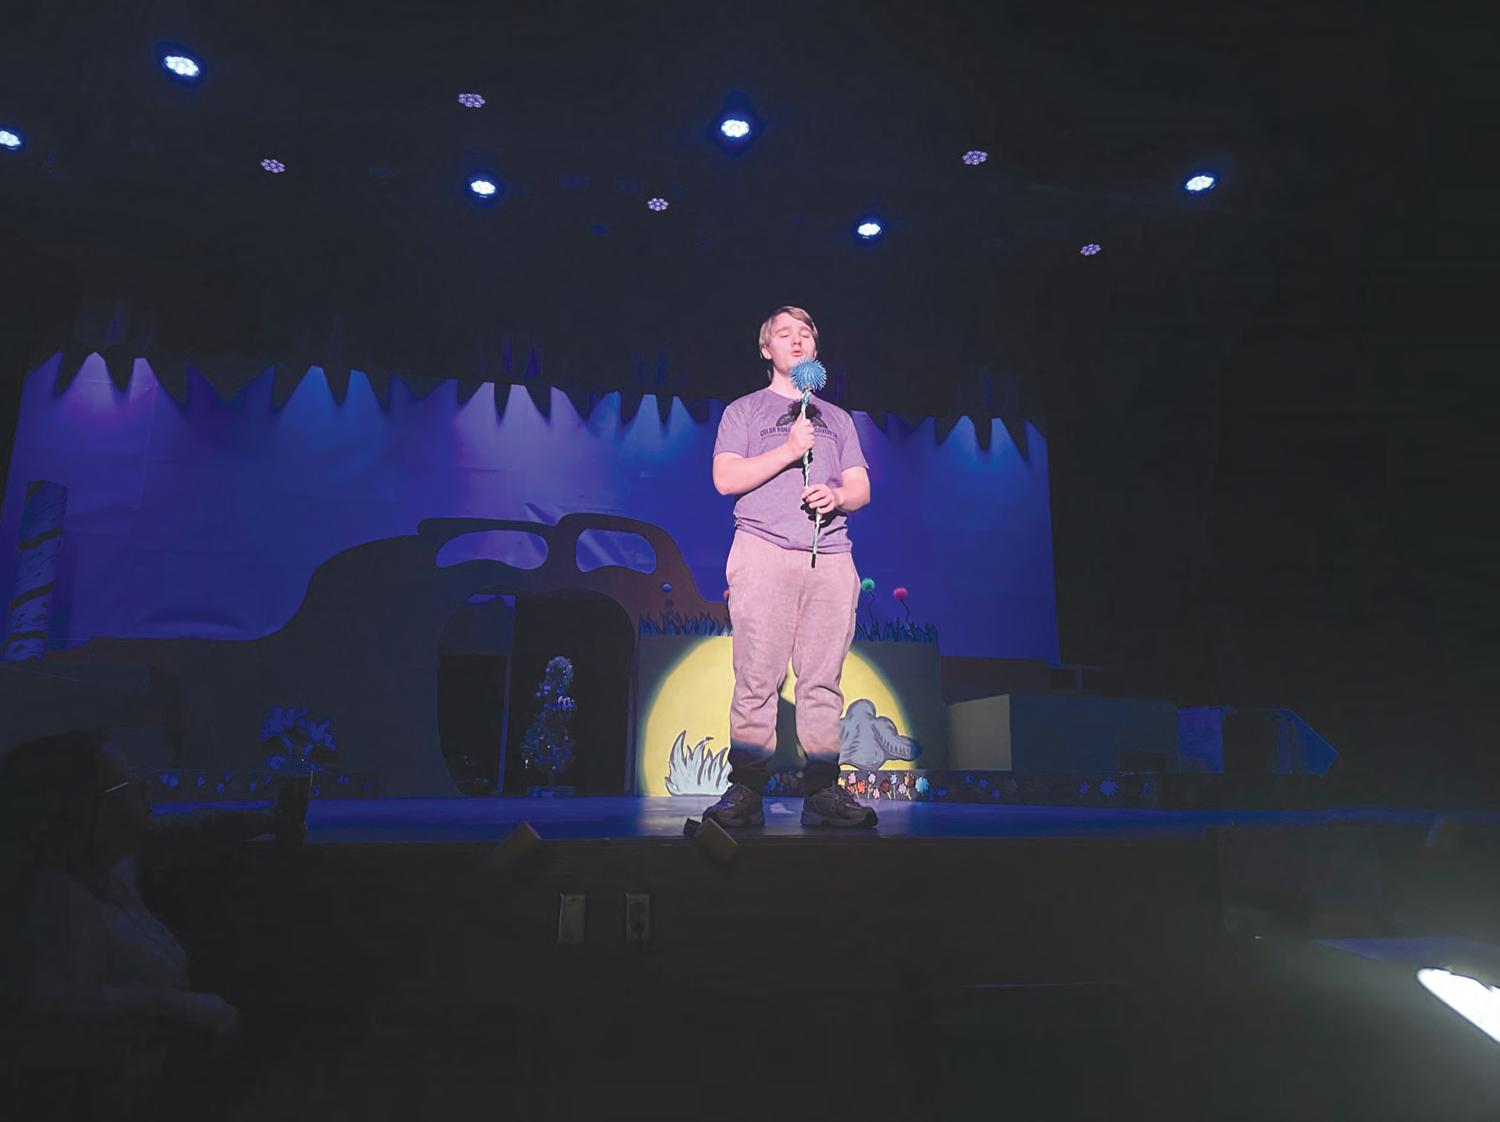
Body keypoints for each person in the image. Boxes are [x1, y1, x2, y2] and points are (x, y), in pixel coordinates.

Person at [0, 730, 307, 1119]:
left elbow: (181, 833)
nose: (144, 788)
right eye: (125, 784)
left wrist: (261, 820)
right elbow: (58, 1012)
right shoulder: (60, 899)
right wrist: (186, 1009)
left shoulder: (109, 868)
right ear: (82, 810)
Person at [702, 306, 877, 829]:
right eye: (784, 334)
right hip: (763, 548)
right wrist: (788, 449)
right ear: (766, 349)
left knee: (822, 681)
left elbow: (861, 487)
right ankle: (746, 789)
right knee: (756, 675)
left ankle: (822, 790)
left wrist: (837, 496)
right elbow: (725, 479)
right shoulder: (744, 411)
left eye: (805, 334)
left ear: (815, 349)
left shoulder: (837, 419)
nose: (797, 340)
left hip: (830, 555)